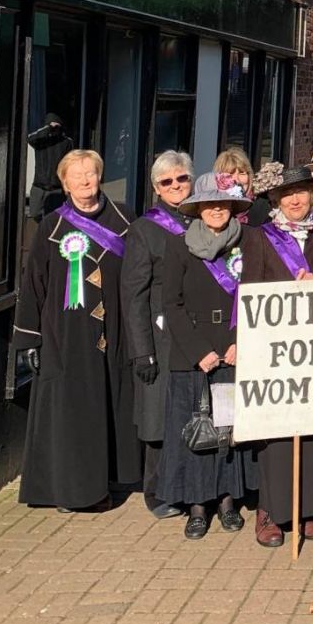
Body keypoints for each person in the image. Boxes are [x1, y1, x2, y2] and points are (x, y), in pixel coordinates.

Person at [14, 150, 140, 512]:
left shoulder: (124, 218)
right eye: (77, 175)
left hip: (116, 332)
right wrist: (28, 338)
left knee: (111, 404)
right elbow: (34, 283)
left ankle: (111, 479)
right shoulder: (51, 227)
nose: (85, 180)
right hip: (66, 336)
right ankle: (76, 491)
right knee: (74, 411)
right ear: (65, 183)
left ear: (100, 176)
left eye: (91, 173)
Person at [240, 166, 313, 545]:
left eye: (302, 193)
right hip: (275, 346)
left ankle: (310, 510)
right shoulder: (258, 238)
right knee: (277, 428)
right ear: (275, 200)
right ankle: (270, 510)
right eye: (288, 195)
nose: (296, 200)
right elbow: (249, 288)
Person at [158, 177, 254, 540]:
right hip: (192, 353)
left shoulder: (247, 243)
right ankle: (197, 506)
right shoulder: (178, 246)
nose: (217, 209)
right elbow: (172, 304)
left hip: (233, 349)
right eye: (210, 204)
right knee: (195, 430)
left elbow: (255, 296)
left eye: (224, 204)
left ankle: (228, 501)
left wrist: (237, 342)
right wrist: (199, 351)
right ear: (197, 208)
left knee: (228, 430)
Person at [121, 150, 196, 520]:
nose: (176, 186)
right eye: (167, 182)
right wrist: (141, 351)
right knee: (159, 417)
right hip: (159, 335)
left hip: (198, 332)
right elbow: (132, 295)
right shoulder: (144, 229)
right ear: (155, 188)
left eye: (181, 178)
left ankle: (192, 487)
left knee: (193, 413)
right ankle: (156, 491)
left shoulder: (203, 219)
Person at [26, 113, 74, 220]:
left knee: (53, 218)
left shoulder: (66, 142)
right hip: (39, 185)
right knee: (34, 213)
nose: (54, 128)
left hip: (56, 187)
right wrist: (48, 129)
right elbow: (30, 139)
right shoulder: (41, 141)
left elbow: (70, 162)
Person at [213, 147, 269, 225]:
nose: (237, 179)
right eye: (230, 174)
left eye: (242, 173)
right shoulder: (212, 210)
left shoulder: (263, 208)